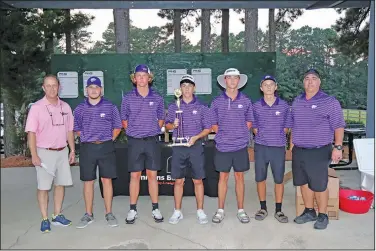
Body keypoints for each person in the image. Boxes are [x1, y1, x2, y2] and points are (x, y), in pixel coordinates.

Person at [290, 69, 345, 230]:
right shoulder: (297, 101)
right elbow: (294, 125)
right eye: (307, 78)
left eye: (314, 78)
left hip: (319, 150)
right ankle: (309, 211)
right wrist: (292, 146)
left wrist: (338, 147)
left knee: (319, 184)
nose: (310, 81)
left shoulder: (329, 101)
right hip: (299, 150)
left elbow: (338, 126)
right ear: (303, 82)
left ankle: (323, 215)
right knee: (303, 182)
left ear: (319, 82)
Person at [25, 75, 75, 233]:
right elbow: (31, 133)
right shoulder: (37, 108)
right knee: (44, 187)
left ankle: (57, 214)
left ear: (59, 87)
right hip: (44, 152)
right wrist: (34, 154)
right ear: (43, 88)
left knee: (60, 184)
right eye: (48, 85)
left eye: (54, 85)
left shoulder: (65, 107)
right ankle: (45, 218)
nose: (52, 88)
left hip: (62, 151)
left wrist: (72, 150)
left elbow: (69, 131)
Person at [73, 76, 122, 228]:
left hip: (106, 147)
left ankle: (109, 213)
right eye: (91, 87)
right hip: (88, 148)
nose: (94, 90)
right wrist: (89, 138)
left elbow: (118, 126)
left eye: (96, 87)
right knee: (88, 181)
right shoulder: (80, 108)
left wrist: (109, 139)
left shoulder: (110, 106)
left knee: (106, 180)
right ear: (86, 90)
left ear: (101, 90)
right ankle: (88, 214)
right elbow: (77, 128)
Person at [165, 74, 212, 225]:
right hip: (178, 147)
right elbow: (167, 126)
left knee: (198, 180)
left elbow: (208, 128)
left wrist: (196, 137)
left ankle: (200, 211)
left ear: (194, 88)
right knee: (178, 181)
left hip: (195, 146)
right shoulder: (173, 106)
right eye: (184, 86)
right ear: (180, 89)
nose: (186, 89)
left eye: (189, 86)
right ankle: (177, 211)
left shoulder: (202, 106)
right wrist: (173, 125)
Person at [121, 64, 165, 224]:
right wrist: (135, 131)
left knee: (153, 176)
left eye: (144, 75)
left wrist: (151, 129)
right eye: (138, 75)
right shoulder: (127, 98)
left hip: (152, 141)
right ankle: (132, 209)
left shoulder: (157, 98)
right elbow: (124, 120)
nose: (141, 78)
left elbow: (161, 118)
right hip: (135, 142)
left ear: (149, 78)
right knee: (135, 176)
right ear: (134, 79)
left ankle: (155, 208)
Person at [210, 68, 254, 224]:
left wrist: (240, 132)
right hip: (223, 146)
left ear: (239, 81)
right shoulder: (217, 101)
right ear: (225, 81)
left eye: (236, 78)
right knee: (223, 177)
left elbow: (249, 121)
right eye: (230, 78)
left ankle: (241, 210)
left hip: (240, 146)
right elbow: (213, 123)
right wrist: (223, 134)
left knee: (239, 177)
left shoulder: (246, 101)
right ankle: (220, 210)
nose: (233, 81)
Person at [252, 75, 291, 223]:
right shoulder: (255, 106)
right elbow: (254, 127)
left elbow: (287, 127)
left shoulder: (284, 105)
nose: (268, 87)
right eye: (265, 85)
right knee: (260, 178)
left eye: (271, 84)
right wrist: (264, 135)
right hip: (261, 147)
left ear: (276, 87)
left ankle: (279, 210)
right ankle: (263, 208)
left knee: (279, 179)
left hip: (278, 148)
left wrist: (275, 135)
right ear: (261, 88)